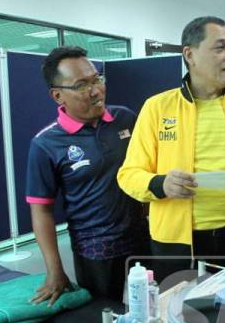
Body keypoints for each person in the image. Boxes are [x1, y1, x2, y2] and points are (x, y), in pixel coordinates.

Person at [117, 16, 225, 282]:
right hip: (177, 242)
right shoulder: (158, 107)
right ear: (189, 55)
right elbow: (128, 174)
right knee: (180, 316)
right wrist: (161, 184)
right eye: (220, 47)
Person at [26, 46, 149, 305]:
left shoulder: (126, 118)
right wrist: (54, 270)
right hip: (95, 251)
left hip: (142, 241)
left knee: (149, 314)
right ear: (58, 95)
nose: (95, 91)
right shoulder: (46, 144)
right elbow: (41, 211)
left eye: (97, 80)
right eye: (82, 85)